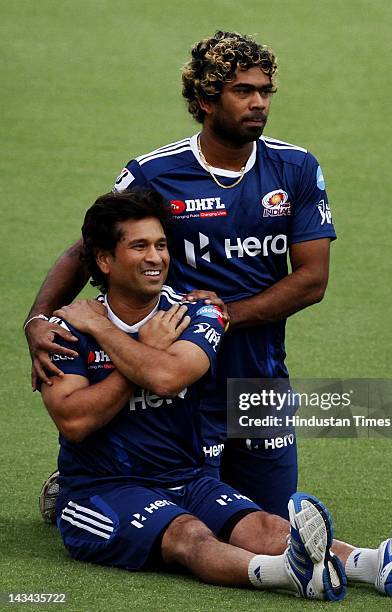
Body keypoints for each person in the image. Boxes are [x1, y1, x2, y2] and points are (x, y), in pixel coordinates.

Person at [26, 30, 334, 520]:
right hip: (180, 381)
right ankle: (90, 480)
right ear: (204, 100)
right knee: (198, 522)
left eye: (264, 91)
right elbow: (86, 252)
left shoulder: (295, 168)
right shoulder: (156, 172)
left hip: (258, 376)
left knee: (271, 520)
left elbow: (311, 280)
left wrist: (219, 317)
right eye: (242, 91)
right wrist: (37, 321)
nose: (259, 103)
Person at [41, 188, 347, 601]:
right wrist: (136, 351)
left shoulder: (197, 311)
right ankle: (287, 574)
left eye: (162, 245)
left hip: (187, 479)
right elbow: (74, 421)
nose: (156, 258)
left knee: (267, 526)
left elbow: (169, 377)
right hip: (104, 489)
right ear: (104, 260)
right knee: (189, 534)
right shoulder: (69, 329)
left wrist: (108, 333)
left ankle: (379, 563)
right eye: (139, 246)